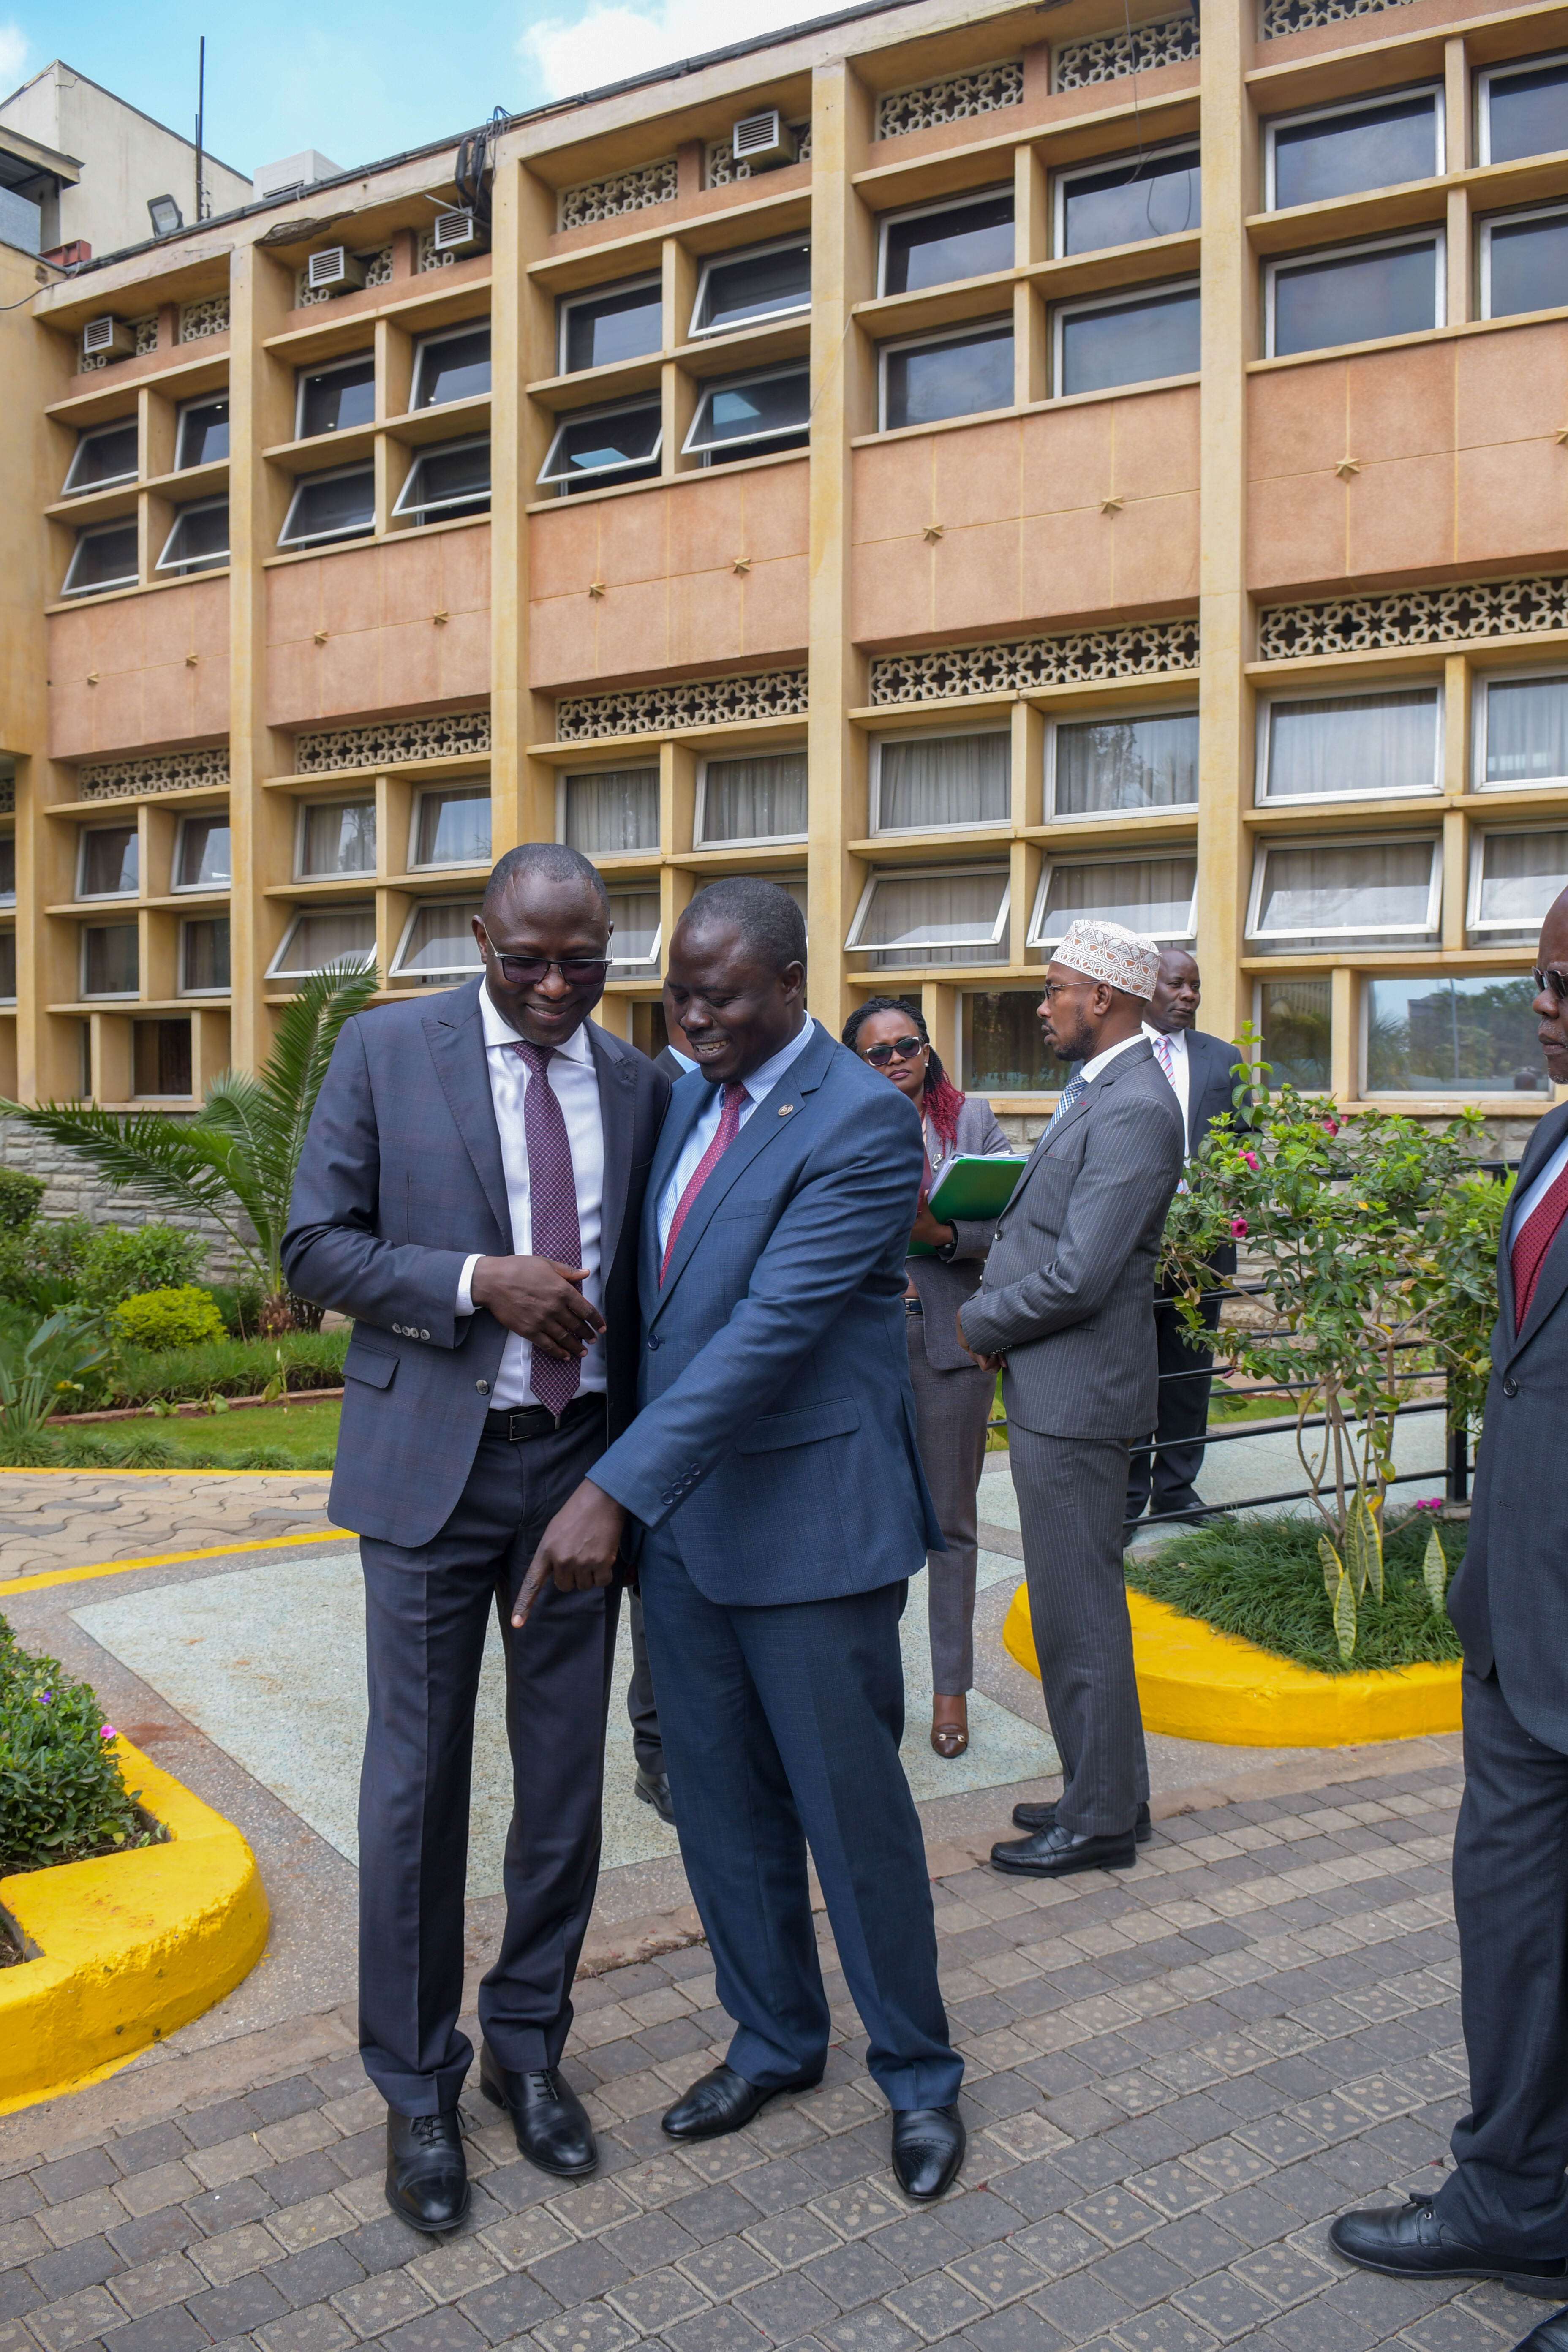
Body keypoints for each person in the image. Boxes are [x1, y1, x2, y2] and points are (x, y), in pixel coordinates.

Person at [516, 877, 967, 2203]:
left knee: (850, 1818)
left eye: (719, 995)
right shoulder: (676, 1102)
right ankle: (775, 2036)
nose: (691, 1016)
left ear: (790, 984)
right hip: (695, 1538)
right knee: (718, 1811)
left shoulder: (862, 1123)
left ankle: (920, 2075)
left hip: (811, 1530)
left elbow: (769, 1332)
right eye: (679, 992)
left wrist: (613, 1487)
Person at [281, 843, 669, 2234]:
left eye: (584, 958)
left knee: (564, 1783)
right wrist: (472, 1280)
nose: (557, 986)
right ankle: (418, 2084)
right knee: (416, 1785)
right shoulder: (389, 1051)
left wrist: (629, 1469)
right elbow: (314, 1245)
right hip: (432, 1480)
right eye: (526, 960)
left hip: (578, 1474)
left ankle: (527, 2049)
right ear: (477, 937)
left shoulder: (642, 1082)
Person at [1328, 893, 1568, 2329]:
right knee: (1516, 1933)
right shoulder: (1554, 1128)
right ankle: (1513, 2194)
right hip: (1523, 1629)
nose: (1545, 1002)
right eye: (1538, 974)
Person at [959, 919, 1184, 1879]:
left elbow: (1081, 1275)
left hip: (1077, 1396)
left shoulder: (1133, 1104)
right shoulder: (1099, 1088)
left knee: (1075, 1610)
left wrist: (979, 1324)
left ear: (1104, 996)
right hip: (1060, 1389)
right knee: (1072, 1606)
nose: (1042, 1005)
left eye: (1054, 988)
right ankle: (1106, 1790)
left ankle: (1096, 1821)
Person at [841, 996, 1013, 1759]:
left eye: (906, 1044)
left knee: (950, 1526)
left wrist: (942, 1235)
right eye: (877, 1053)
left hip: (952, 1343)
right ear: (856, 1064)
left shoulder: (968, 1121)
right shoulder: (832, 1124)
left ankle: (951, 1694)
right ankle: (869, 1692)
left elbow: (1017, 1221)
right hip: (860, 1346)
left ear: (926, 1048)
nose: (895, 1059)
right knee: (868, 1525)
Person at [1123, 947, 1245, 1536]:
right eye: (1178, 985)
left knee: (1190, 1370)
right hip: (1131, 1244)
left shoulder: (1226, 1060)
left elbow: (1246, 1146)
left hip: (1203, 1250)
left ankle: (1176, 1491)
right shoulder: (1114, 1056)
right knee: (1132, 1370)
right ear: (1148, 988)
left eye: (1196, 986)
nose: (1189, 996)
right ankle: (1126, 1497)